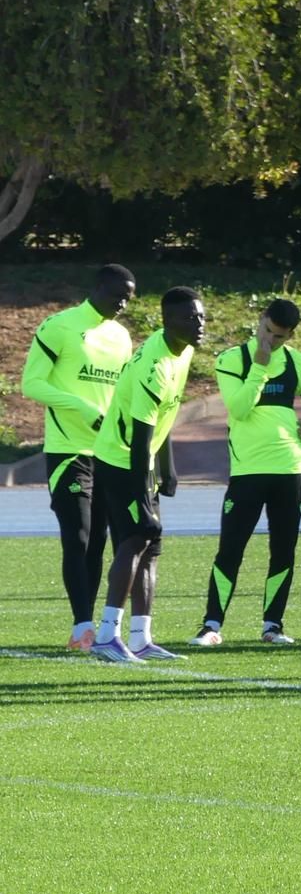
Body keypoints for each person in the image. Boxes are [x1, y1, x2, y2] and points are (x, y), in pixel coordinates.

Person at [192, 300, 301, 646]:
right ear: (260, 320)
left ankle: (273, 626)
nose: (270, 341)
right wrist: (260, 366)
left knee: (283, 550)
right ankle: (211, 626)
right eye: (267, 331)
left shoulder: (297, 362)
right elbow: (238, 407)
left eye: (280, 337)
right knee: (230, 549)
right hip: (248, 471)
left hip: (290, 469)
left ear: (291, 335)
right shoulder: (231, 359)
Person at [21, 264, 136, 651]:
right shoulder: (60, 326)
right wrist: (81, 407)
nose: (122, 303)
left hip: (108, 454)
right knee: (78, 535)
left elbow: (122, 393)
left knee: (100, 540)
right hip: (69, 449)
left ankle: (88, 628)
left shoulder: (121, 337)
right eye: (118, 294)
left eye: (129, 298)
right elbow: (31, 383)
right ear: (99, 287)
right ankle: (81, 625)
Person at [88, 288, 205, 662]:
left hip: (142, 458)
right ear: (167, 321)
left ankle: (141, 638)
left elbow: (164, 418)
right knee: (136, 536)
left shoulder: (183, 349)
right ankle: (107, 635)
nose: (199, 324)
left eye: (201, 316)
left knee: (151, 545)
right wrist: (142, 496)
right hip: (119, 459)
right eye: (190, 318)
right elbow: (139, 441)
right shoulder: (152, 367)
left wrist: (167, 467)